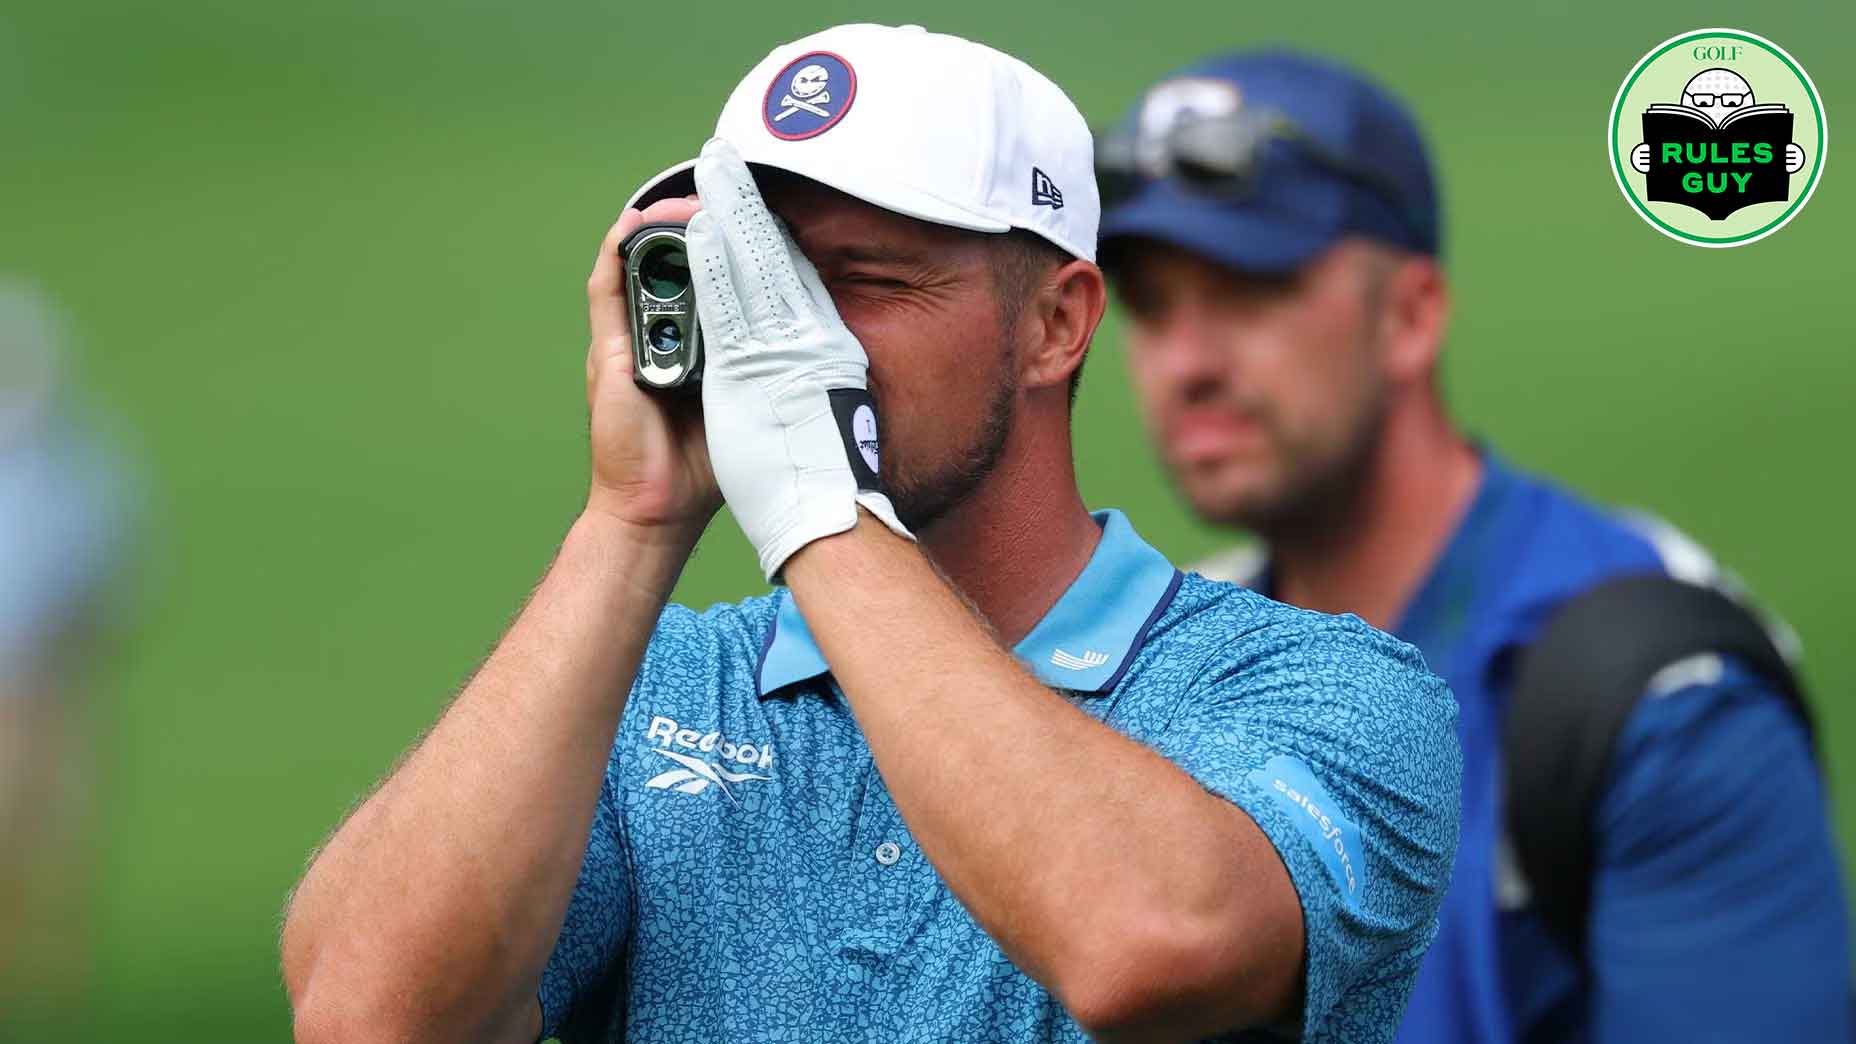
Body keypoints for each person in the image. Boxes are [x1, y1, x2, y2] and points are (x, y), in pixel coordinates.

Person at [280, 24, 1461, 1044]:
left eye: (866, 282)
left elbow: (1144, 943)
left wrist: (814, 496)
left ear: (1055, 325)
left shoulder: (1319, 690)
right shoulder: (656, 695)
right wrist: (630, 521)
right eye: (758, 278)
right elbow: (363, 1016)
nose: (786, 338)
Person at [1095, 49, 1850, 1044]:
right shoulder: (1167, 670)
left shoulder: (1653, 687)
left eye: (1246, 288)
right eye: (1148, 306)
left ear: (1410, 316)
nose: (1183, 361)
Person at [0, 279, 137, 1034]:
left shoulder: (74, 471)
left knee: (45, 831)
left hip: (42, 680)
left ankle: (41, 983)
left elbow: (107, 569)